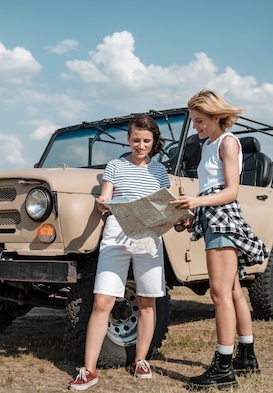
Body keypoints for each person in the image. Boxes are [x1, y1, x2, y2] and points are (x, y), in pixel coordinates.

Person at [171, 89, 268, 389]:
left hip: (223, 219)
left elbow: (231, 191)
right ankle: (246, 356)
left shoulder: (227, 142)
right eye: (194, 121)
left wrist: (197, 203)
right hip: (212, 216)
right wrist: (192, 211)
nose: (196, 127)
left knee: (219, 294)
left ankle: (223, 367)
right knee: (234, 290)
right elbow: (210, 189)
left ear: (215, 116)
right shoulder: (209, 145)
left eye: (200, 121)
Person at [68, 114, 171, 391]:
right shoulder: (114, 166)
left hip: (149, 238)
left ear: (153, 142)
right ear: (128, 138)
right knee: (102, 302)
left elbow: (164, 206)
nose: (140, 145)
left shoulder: (160, 171)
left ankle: (141, 360)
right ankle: (89, 370)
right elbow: (105, 200)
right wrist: (102, 203)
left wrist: (178, 215)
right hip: (116, 234)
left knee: (148, 302)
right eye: (136, 140)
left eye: (146, 141)